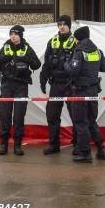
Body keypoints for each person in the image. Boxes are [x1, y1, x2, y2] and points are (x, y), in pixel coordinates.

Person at [0, 25, 41, 156]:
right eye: (11, 34)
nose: (12, 36)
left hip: (21, 86)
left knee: (19, 116)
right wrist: (2, 59)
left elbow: (37, 64)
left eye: (15, 34)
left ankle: (18, 145)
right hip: (7, 85)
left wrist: (27, 59)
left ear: (20, 35)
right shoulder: (5, 47)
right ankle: (3, 144)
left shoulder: (26, 48)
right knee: (5, 115)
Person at [64, 26, 105, 163]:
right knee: (91, 121)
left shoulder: (79, 51)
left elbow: (73, 71)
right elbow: (104, 68)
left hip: (80, 92)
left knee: (81, 123)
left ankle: (85, 153)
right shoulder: (97, 51)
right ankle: (101, 149)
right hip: (93, 91)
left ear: (78, 38)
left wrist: (66, 63)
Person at [40, 15, 77, 155]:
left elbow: (80, 65)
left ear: (69, 26)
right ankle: (54, 145)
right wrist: (42, 79)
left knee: (76, 115)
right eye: (59, 24)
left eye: (64, 24)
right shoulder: (52, 41)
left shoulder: (76, 42)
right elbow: (47, 63)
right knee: (52, 115)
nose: (62, 26)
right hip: (56, 85)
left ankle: (78, 143)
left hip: (71, 85)